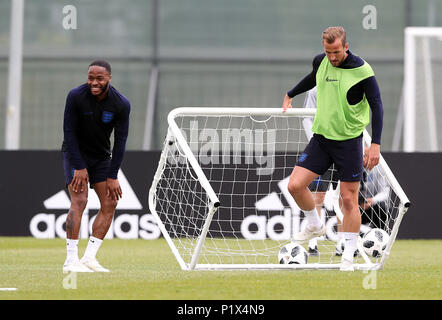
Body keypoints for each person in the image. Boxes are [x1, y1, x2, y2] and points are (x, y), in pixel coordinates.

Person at [282, 26, 384, 271]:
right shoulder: (322, 62)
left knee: (348, 200)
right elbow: (312, 77)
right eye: (328, 52)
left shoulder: (363, 70)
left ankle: (348, 254)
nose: (332, 57)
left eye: (336, 52)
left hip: (349, 142)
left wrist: (376, 145)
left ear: (346, 47)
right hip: (322, 139)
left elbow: (377, 106)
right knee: (295, 185)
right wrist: (290, 94)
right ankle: (314, 224)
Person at [62, 60, 131, 273]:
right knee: (80, 201)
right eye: (91, 78)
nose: (94, 82)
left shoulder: (121, 104)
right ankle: (70, 261)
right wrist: (79, 166)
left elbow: (121, 142)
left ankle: (89, 258)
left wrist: (113, 175)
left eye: (99, 78)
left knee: (110, 203)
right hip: (75, 155)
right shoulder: (75, 96)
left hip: (101, 158)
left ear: (109, 78)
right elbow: (69, 133)